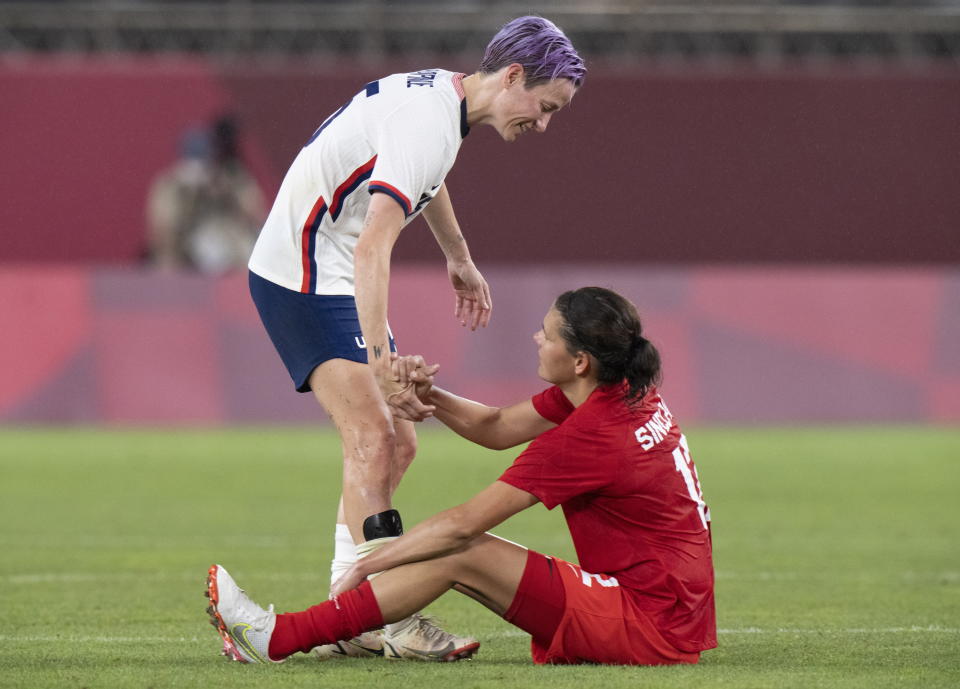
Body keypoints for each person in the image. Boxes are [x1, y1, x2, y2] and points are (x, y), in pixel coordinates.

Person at [245, 16, 585, 658]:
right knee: (375, 435)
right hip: (306, 271)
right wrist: (380, 364)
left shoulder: (445, 102)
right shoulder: (431, 121)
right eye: (544, 107)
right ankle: (387, 618)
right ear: (513, 76)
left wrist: (458, 256)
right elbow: (376, 242)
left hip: (332, 264)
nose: (542, 124)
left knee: (398, 442)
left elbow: (424, 175)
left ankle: (350, 613)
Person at [206, 287, 717, 666]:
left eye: (550, 334)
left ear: (579, 360)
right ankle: (295, 634)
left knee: (462, 549)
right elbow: (495, 427)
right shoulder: (619, 388)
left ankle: (276, 638)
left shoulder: (593, 435)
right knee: (462, 552)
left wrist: (370, 563)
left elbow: (461, 525)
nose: (537, 337)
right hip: (667, 609)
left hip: (646, 623)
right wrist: (429, 394)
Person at [146, 115, 266, 272]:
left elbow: (257, 217)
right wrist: (186, 196)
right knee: (167, 260)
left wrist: (226, 192)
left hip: (227, 246)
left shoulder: (230, 178)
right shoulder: (170, 185)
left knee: (240, 247)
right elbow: (161, 230)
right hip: (184, 250)